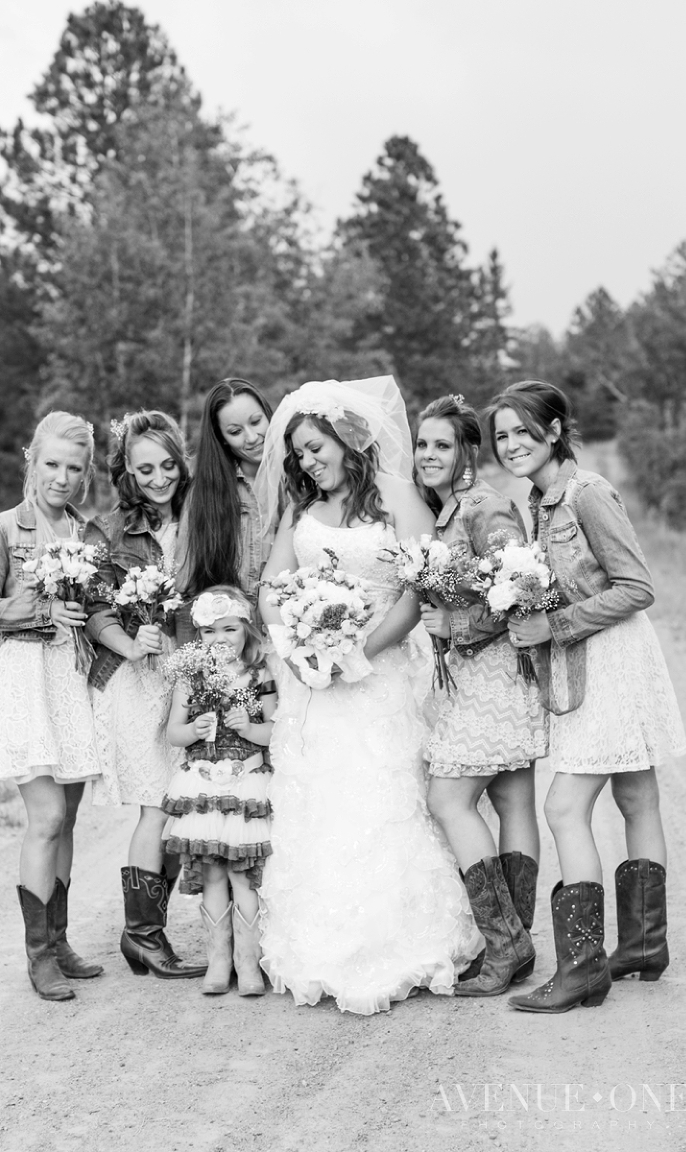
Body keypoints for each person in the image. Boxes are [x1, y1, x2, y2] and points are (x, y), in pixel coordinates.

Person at [256, 376, 483, 1015]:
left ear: (346, 439)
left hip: (381, 675)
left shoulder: (399, 499)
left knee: (385, 798)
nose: (307, 461)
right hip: (315, 686)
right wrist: (298, 647)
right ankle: (320, 944)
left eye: (314, 447)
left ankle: (401, 939)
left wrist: (360, 651)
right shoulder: (300, 513)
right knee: (322, 800)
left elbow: (418, 590)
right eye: (298, 452)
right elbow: (273, 586)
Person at [487, 380, 686, 1014]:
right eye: (501, 436)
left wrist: (557, 624)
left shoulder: (588, 494)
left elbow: (638, 586)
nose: (511, 444)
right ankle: (643, 946)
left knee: (565, 807)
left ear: (554, 431)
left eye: (523, 430)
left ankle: (581, 969)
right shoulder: (542, 503)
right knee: (635, 794)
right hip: (588, 658)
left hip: (613, 658)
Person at [0, 412, 102, 1001]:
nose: (61, 478)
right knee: (44, 818)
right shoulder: (2, 530)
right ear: (30, 463)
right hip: (27, 679)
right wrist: (40, 608)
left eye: (74, 468)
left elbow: (99, 609)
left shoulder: (87, 536)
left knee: (67, 819)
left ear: (86, 473)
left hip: (73, 681)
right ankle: (37, 956)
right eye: (52, 465)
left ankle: (59, 940)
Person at [414, 395, 547, 997]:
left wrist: (456, 627)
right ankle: (516, 945)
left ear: (468, 451)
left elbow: (520, 588)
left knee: (449, 800)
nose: (427, 455)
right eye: (421, 444)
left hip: (492, 674)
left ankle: (505, 943)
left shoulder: (486, 508)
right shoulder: (451, 511)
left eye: (442, 445)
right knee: (512, 797)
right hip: (484, 676)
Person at [85, 410, 205, 979]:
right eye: (144, 470)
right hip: (134, 682)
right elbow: (97, 612)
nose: (158, 478)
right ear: (127, 474)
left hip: (189, 671)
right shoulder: (108, 532)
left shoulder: (204, 518)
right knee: (158, 801)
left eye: (166, 465)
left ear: (181, 462)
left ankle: (144, 936)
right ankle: (143, 934)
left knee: (183, 798)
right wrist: (131, 643)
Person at [163, 586, 276, 996]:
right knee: (212, 872)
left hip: (246, 785)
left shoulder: (260, 674)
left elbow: (275, 731)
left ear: (247, 629)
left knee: (243, 876)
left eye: (229, 628)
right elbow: (173, 732)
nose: (220, 638)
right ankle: (218, 960)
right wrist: (192, 730)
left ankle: (249, 963)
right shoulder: (191, 676)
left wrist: (249, 727)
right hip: (204, 786)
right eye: (209, 631)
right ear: (198, 636)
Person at [177, 378, 276, 640]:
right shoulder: (206, 494)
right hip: (234, 647)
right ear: (221, 439)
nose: (252, 437)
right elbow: (187, 587)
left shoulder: (299, 479)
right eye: (235, 431)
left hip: (295, 637)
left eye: (256, 422)